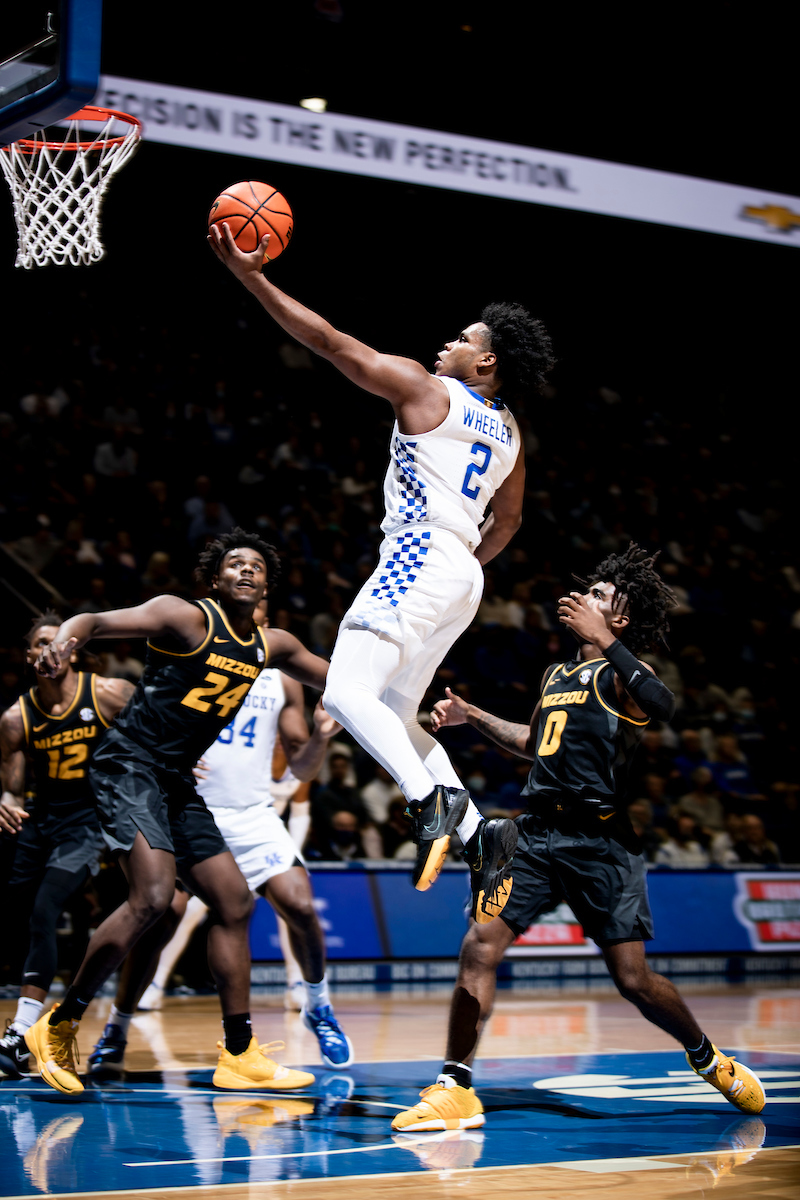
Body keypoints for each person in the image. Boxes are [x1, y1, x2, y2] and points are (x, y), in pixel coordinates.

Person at [208, 222, 555, 919]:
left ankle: (431, 798)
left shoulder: (427, 390)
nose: (447, 344)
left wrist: (252, 278)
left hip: (420, 553)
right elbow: (509, 522)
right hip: (464, 572)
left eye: (463, 339)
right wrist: (460, 569)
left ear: (486, 364)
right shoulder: (513, 430)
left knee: (342, 692)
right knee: (396, 710)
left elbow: (332, 343)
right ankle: (480, 835)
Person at [391, 545, 765, 1133]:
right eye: (587, 590)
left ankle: (707, 1057)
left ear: (618, 619)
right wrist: (473, 715)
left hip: (601, 842)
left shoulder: (622, 674)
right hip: (535, 834)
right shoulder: (557, 674)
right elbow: (534, 740)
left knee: (634, 981)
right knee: (478, 945)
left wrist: (611, 643)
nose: (583, 597)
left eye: (599, 596)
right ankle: (455, 1087)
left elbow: (665, 706)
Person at [24, 528, 329, 1097]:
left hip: (174, 782)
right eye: (235, 564)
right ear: (215, 579)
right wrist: (64, 640)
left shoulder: (274, 647)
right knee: (154, 899)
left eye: (257, 567)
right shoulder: (182, 617)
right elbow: (92, 622)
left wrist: (404, 688)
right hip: (128, 767)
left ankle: (238, 1054)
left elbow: (338, 681)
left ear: (268, 584)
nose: (247, 571)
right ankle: (60, 1024)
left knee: (235, 902)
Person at [89, 597, 353, 1072]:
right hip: (185, 804)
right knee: (160, 917)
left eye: (264, 602)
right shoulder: (196, 647)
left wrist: (320, 737)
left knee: (300, 904)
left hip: (252, 813)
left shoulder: (281, 676)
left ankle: (318, 1005)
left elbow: (301, 765)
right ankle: (118, 1026)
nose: (253, 607)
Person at [0, 614, 134, 1080]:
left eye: (51, 643)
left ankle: (20, 1033)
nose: (43, 652)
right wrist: (6, 798)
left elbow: (153, 726)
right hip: (42, 820)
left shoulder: (106, 693)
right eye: (35, 645)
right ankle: (28, 1027)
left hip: (89, 821)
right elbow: (14, 784)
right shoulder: (16, 717)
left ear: (71, 649)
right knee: (22, 914)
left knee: (45, 908)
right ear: (28, 656)